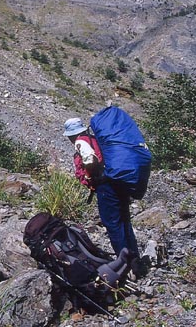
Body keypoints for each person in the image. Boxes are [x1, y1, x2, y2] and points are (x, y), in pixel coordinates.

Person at [63, 117, 144, 278]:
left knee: (112, 223)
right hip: (117, 181)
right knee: (124, 220)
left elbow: (90, 159)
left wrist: (88, 175)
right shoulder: (95, 139)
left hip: (105, 185)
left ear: (73, 135)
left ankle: (125, 263)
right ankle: (135, 260)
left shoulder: (81, 142)